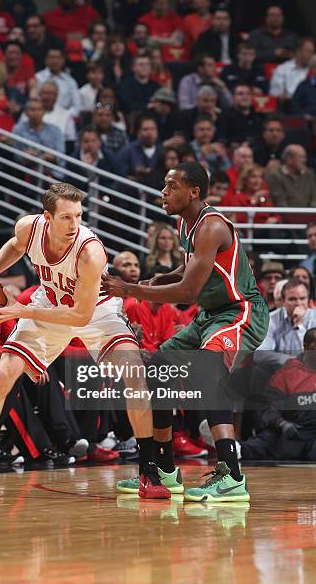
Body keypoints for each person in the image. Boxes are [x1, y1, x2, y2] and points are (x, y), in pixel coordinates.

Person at [0, 183, 172, 499]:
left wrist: (22, 308)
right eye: (66, 217)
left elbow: (79, 316)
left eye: (78, 216)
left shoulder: (90, 252)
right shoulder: (29, 227)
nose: (74, 225)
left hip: (95, 310)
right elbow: (15, 244)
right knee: (4, 373)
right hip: (49, 302)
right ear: (47, 217)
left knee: (134, 372)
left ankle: (149, 471)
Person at [102, 161, 270, 501]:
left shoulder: (211, 226)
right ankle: (165, 471)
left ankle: (232, 476)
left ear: (194, 191)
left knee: (206, 371)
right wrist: (164, 276)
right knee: (158, 367)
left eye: (171, 186)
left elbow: (188, 293)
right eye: (164, 186)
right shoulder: (184, 223)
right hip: (210, 314)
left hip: (240, 312)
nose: (163, 192)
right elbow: (193, 266)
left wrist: (131, 288)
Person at [239, 328, 316, 461]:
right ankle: (227, 446)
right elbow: (267, 408)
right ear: (305, 347)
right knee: (266, 442)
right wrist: (282, 423)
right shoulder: (287, 373)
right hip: (294, 432)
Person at [254, 278, 316, 371]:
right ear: (283, 301)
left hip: (310, 372)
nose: (298, 303)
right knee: (258, 371)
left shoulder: (314, 318)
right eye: (292, 299)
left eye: (302, 298)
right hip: (280, 371)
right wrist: (292, 361)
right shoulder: (271, 319)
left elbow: (310, 355)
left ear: (308, 299)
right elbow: (260, 354)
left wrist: (299, 326)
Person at [12, 98, 65, 164]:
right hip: (26, 169)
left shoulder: (55, 130)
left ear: (44, 112)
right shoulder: (18, 129)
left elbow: (61, 154)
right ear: (26, 112)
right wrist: (24, 155)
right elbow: (15, 154)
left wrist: (52, 157)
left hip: (51, 169)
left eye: (39, 110)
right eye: (33, 110)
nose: (36, 113)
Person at [266, 145, 316, 210]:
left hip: (309, 217)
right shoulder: (275, 175)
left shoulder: (309, 175)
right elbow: (279, 202)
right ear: (289, 158)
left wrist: (310, 215)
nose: (304, 160)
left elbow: (314, 199)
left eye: (304, 157)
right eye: (301, 157)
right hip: (285, 217)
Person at [35, 48, 81, 118]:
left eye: (58, 58)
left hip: (65, 118)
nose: (55, 61)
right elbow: (34, 101)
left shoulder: (70, 81)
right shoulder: (38, 78)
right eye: (52, 57)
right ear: (46, 60)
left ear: (63, 60)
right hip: (41, 117)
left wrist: (64, 116)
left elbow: (76, 106)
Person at [291, 55, 316, 119]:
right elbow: (294, 106)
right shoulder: (303, 85)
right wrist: (303, 115)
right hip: (308, 122)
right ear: (312, 69)